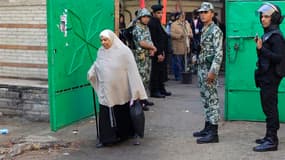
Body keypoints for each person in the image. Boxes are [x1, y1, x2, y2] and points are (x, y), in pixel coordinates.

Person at [87, 29, 148, 147]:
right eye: (101, 40)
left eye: (106, 40)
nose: (103, 43)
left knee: (121, 111)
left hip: (121, 90)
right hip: (106, 89)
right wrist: (91, 72)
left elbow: (132, 71)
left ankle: (124, 134)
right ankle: (106, 139)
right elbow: (97, 64)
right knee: (105, 112)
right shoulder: (101, 51)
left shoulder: (124, 52)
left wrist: (136, 91)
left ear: (112, 39)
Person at [253, 2, 285, 152]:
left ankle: (272, 140)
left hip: (271, 77)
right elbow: (265, 57)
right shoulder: (268, 34)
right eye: (262, 16)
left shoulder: (276, 36)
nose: (263, 19)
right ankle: (268, 136)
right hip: (266, 75)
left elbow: (279, 58)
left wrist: (262, 49)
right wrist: (260, 48)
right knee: (267, 107)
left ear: (274, 18)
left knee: (270, 108)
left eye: (266, 17)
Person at [193, 2, 223, 144]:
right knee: (205, 99)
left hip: (210, 69)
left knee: (212, 100)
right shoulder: (204, 28)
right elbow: (202, 48)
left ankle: (214, 132)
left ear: (212, 13)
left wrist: (213, 71)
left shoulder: (215, 30)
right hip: (202, 68)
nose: (203, 15)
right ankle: (207, 127)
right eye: (201, 12)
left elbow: (219, 53)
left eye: (205, 12)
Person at [132, 8, 157, 108]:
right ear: (140, 17)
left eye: (148, 17)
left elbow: (149, 40)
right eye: (144, 17)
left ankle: (143, 98)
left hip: (147, 56)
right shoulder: (137, 28)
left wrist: (152, 48)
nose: (147, 19)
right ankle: (138, 102)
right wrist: (152, 47)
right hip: (140, 57)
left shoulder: (145, 27)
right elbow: (141, 43)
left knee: (146, 78)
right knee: (140, 79)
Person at [148, 4, 171, 98]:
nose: (160, 15)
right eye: (158, 13)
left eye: (161, 13)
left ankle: (161, 88)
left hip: (162, 51)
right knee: (155, 72)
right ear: (153, 13)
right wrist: (159, 53)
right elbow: (154, 40)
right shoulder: (152, 24)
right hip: (157, 52)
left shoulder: (158, 22)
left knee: (161, 72)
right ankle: (154, 90)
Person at [170, 12, 193, 81]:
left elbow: (191, 32)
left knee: (185, 63)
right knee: (178, 62)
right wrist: (180, 35)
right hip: (178, 46)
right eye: (182, 15)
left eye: (184, 15)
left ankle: (184, 75)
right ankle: (178, 76)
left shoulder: (187, 23)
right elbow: (171, 34)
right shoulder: (174, 24)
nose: (183, 16)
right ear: (178, 16)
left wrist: (190, 35)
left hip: (186, 46)